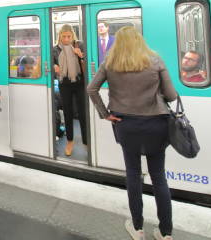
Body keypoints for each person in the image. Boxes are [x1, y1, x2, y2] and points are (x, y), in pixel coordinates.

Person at [87, 26, 177, 240]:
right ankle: (166, 233)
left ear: (118, 42)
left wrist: (105, 114)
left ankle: (137, 229)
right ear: (139, 40)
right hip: (156, 124)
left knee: (133, 175)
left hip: (126, 125)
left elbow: (91, 88)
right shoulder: (155, 60)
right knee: (158, 177)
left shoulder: (110, 62)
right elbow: (171, 95)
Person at [52, 24, 87, 156]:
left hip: (79, 82)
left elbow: (89, 62)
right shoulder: (55, 49)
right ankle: (70, 141)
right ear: (60, 36)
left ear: (73, 36)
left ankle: (86, 140)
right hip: (64, 83)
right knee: (67, 112)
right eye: (64, 36)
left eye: (69, 36)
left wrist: (81, 56)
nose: (66, 39)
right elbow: (50, 63)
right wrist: (54, 65)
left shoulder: (79, 45)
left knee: (83, 112)